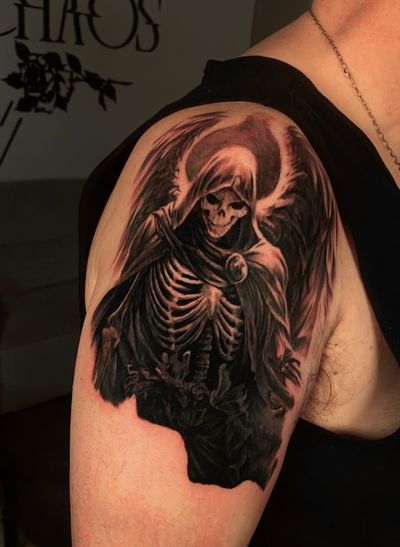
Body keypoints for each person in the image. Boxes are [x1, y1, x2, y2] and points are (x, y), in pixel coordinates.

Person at [71, 1, 400, 545]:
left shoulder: (262, 259)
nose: (222, 217)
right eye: (214, 204)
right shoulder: (245, 142)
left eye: (233, 209)